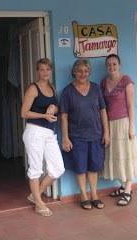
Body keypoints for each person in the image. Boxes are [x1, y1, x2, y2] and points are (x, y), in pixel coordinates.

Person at [60, 59, 109, 210]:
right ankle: (83, 195)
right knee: (80, 167)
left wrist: (106, 132)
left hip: (95, 134)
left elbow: (102, 111)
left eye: (86, 71)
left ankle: (94, 195)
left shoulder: (95, 88)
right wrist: (65, 137)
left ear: (89, 72)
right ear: (74, 72)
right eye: (79, 70)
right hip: (76, 136)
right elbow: (64, 116)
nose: (83, 73)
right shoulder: (68, 91)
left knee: (93, 167)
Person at [21, 58, 65, 217]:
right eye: (42, 70)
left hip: (48, 133)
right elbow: (24, 113)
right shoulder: (33, 88)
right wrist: (43, 116)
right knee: (36, 169)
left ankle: (35, 194)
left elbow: (55, 109)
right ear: (37, 71)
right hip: (34, 132)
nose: (45, 72)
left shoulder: (52, 88)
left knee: (58, 169)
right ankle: (39, 203)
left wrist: (54, 107)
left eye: (48, 69)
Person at [100, 54, 137, 206]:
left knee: (127, 155)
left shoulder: (126, 81)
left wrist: (131, 127)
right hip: (110, 125)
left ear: (119, 64)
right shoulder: (104, 82)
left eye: (114, 64)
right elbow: (102, 105)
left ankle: (128, 191)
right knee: (116, 156)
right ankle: (123, 185)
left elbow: (131, 106)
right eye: (109, 65)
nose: (111, 67)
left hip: (124, 123)